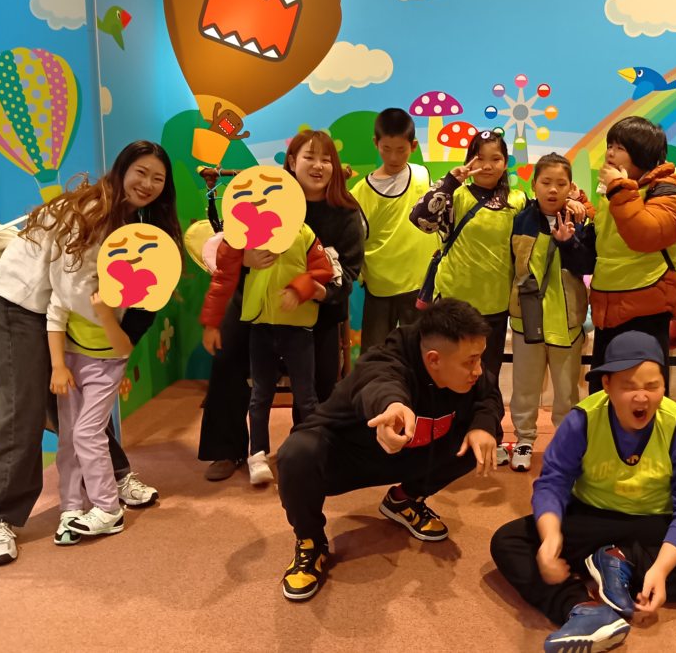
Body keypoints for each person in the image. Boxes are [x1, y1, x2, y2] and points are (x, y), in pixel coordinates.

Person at [490, 332, 676, 653]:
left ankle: (620, 562)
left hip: (656, 524)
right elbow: (553, 482)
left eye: (652, 386)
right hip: (591, 516)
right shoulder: (583, 419)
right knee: (508, 541)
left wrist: (661, 569)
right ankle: (584, 609)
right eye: (629, 386)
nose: (641, 397)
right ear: (606, 384)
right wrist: (550, 539)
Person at [0, 141, 175, 566]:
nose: (148, 184)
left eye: (158, 178)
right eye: (141, 172)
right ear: (121, 169)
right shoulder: (94, 211)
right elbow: (76, 293)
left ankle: (113, 477)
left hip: (61, 311)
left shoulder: (131, 219)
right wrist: (118, 326)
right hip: (18, 305)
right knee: (21, 413)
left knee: (81, 404)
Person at [275, 299, 504, 603]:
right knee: (296, 453)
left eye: (479, 359)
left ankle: (403, 500)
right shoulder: (386, 358)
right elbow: (379, 380)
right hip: (349, 459)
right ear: (434, 359)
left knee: (484, 438)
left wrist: (483, 425)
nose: (478, 370)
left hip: (410, 456)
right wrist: (392, 406)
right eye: (470, 362)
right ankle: (310, 542)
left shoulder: (466, 367)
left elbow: (489, 396)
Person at [199, 130, 364, 482]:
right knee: (227, 360)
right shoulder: (265, 194)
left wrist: (319, 292)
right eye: (309, 157)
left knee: (318, 384)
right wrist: (245, 259)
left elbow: (348, 272)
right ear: (291, 161)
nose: (318, 166)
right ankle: (227, 448)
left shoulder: (346, 212)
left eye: (326, 159)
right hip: (255, 301)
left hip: (315, 310)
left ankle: (304, 450)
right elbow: (229, 249)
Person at [408, 129, 530, 381]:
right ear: (469, 161)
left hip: (495, 304)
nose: (487, 166)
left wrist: (572, 201)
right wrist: (450, 181)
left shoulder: (518, 201)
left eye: (495, 159)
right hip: (453, 302)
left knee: (487, 377)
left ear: (505, 162)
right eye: (479, 158)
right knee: (448, 373)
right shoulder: (454, 196)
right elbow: (419, 218)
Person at [583, 117, 676, 392]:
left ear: (643, 153)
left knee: (640, 392)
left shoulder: (668, 193)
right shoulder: (619, 191)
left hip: (647, 306)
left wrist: (619, 189)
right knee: (604, 389)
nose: (609, 153)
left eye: (619, 147)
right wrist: (582, 205)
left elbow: (645, 235)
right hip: (608, 306)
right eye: (609, 146)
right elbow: (609, 237)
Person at [505, 153, 595, 471]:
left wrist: (569, 242)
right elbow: (512, 266)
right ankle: (524, 439)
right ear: (534, 185)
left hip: (566, 321)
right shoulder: (520, 220)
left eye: (560, 183)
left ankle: (565, 444)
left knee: (567, 391)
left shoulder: (580, 221)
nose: (553, 189)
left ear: (571, 187)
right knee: (525, 387)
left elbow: (586, 266)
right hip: (526, 319)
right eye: (546, 182)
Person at [48, 291, 156, 541]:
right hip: (70, 358)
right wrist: (58, 365)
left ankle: (108, 509)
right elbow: (56, 312)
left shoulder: (146, 297)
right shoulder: (71, 277)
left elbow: (123, 347)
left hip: (108, 364)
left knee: (87, 433)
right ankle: (71, 508)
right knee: (68, 436)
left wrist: (106, 314)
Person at [351, 108, 438, 353]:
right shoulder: (360, 193)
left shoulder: (422, 175)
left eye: (401, 149)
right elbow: (354, 242)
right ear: (376, 143)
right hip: (380, 289)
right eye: (386, 149)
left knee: (421, 353)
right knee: (375, 355)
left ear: (413, 146)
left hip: (420, 285)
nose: (393, 157)